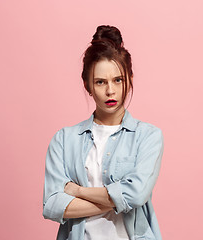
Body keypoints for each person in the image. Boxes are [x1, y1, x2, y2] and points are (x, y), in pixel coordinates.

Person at [42, 25, 164, 240]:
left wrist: (78, 192)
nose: (110, 90)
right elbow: (52, 204)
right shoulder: (64, 139)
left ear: (130, 79)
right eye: (100, 82)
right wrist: (118, 200)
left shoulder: (148, 136)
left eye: (118, 80)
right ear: (87, 85)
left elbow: (136, 195)